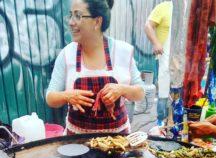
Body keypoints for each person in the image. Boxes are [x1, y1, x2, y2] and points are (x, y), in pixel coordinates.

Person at [46, 0, 144, 135]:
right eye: (71, 15)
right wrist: (67, 96)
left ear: (97, 21)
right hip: (76, 142)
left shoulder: (122, 52)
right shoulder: (67, 54)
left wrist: (122, 89)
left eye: (78, 16)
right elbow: (50, 97)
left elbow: (140, 92)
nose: (71, 22)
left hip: (117, 140)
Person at [144, 0, 173, 127]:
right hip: (164, 57)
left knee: (178, 92)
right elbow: (148, 26)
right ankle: (161, 121)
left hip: (180, 58)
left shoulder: (186, 11)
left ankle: (174, 121)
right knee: (164, 90)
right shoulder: (164, 7)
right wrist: (156, 43)